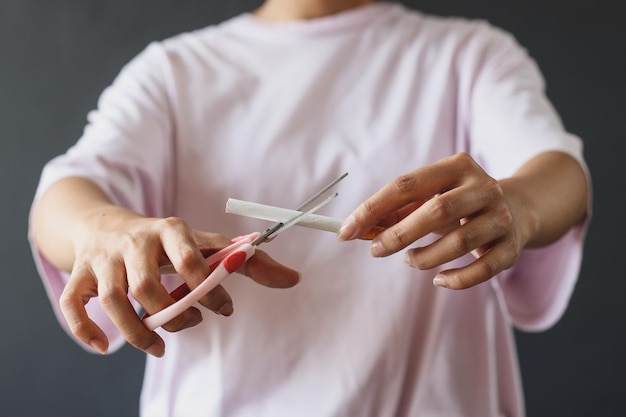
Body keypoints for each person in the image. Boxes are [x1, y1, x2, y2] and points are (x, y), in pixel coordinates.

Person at [29, 0, 591, 416]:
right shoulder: (173, 74)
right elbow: (66, 193)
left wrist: (519, 204)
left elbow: (558, 171)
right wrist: (103, 228)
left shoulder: (468, 57)